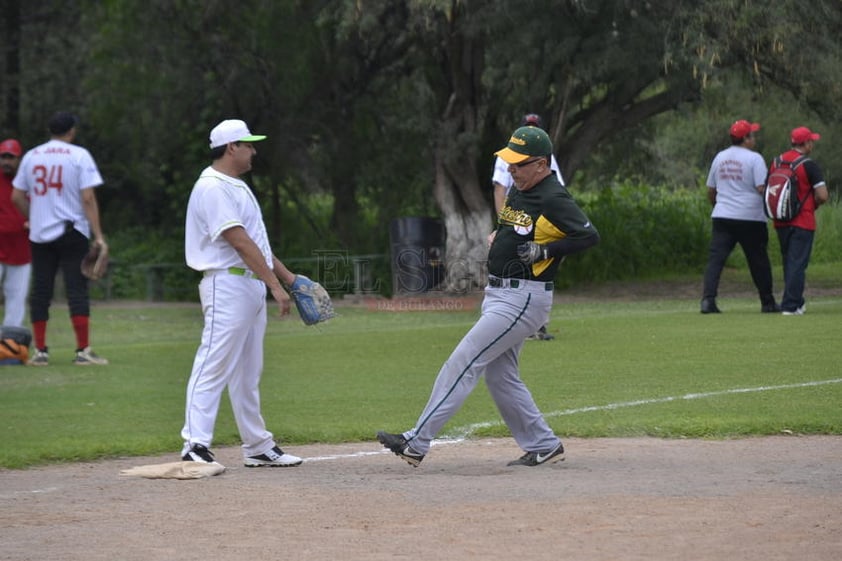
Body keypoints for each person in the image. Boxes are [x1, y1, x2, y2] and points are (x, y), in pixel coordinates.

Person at [378, 126, 599, 467]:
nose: (511, 169)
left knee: (464, 359)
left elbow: (587, 235)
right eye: (509, 162)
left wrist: (545, 252)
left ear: (541, 164)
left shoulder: (554, 196)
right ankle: (543, 444)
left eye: (519, 164)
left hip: (523, 298)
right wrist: (502, 236)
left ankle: (416, 441)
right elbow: (520, 225)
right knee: (500, 375)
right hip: (500, 293)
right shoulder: (522, 188)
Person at [180, 119, 302, 468]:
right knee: (213, 363)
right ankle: (194, 443)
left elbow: (258, 245)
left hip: (247, 284)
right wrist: (274, 286)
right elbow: (238, 240)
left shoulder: (235, 185)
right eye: (248, 144)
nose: (254, 149)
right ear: (231, 147)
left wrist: (290, 279)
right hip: (226, 284)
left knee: (248, 371)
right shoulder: (212, 187)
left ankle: (257, 445)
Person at [11, 112, 108, 365]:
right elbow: (87, 198)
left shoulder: (32, 156)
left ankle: (40, 351)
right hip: (71, 230)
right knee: (76, 289)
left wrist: (35, 216)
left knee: (41, 290)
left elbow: (16, 196)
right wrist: (98, 235)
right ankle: (82, 351)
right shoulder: (79, 155)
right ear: (71, 131)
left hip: (40, 233)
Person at [492, 113, 564, 340]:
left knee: (541, 272)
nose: (531, 131)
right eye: (528, 127)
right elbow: (499, 189)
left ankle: (537, 325)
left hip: (541, 226)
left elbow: (558, 189)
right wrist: (504, 225)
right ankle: (511, 322)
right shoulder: (508, 156)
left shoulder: (545, 158)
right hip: (517, 223)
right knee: (515, 270)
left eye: (535, 127)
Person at [700, 120, 779, 314]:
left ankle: (708, 301)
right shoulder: (754, 159)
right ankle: (767, 302)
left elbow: (711, 189)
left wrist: (720, 205)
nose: (754, 138)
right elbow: (762, 188)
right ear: (745, 139)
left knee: (716, 260)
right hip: (750, 217)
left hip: (723, 216)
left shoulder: (720, 157)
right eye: (752, 135)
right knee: (758, 260)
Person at [770, 126, 829, 315]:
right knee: (797, 263)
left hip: (781, 220)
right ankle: (790, 305)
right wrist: (814, 205)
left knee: (789, 262)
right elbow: (823, 195)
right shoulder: (808, 164)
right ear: (807, 143)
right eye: (811, 141)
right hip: (803, 220)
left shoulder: (776, 161)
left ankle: (797, 300)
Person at [0, 139, 31, 327]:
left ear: (19, 159)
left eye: (10, 157)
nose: (6, 161)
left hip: (21, 247)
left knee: (16, 296)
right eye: (3, 157)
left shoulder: (29, 179)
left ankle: (9, 343)